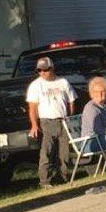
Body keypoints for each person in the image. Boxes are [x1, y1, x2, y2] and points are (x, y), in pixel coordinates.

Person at [26, 56, 76, 188]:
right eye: (40, 71)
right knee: (47, 152)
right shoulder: (36, 85)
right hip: (47, 121)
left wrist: (70, 118)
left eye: (45, 70)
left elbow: (71, 101)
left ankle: (62, 177)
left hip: (63, 120)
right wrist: (34, 125)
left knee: (64, 152)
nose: (42, 73)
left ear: (52, 68)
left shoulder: (63, 82)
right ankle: (45, 181)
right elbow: (32, 108)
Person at [80, 77, 106, 151]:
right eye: (105, 91)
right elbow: (98, 129)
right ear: (94, 93)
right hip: (91, 141)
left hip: (103, 137)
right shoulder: (91, 108)